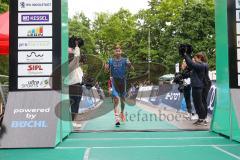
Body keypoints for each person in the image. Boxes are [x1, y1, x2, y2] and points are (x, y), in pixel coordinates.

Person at [105, 44, 133, 126]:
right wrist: (106, 66)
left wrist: (129, 64)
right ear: (114, 52)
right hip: (114, 81)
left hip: (123, 81)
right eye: (116, 50)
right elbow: (106, 71)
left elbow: (132, 68)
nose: (117, 51)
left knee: (123, 100)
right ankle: (117, 119)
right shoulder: (110, 60)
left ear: (121, 52)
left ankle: (122, 113)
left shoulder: (125, 60)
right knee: (116, 99)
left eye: (119, 50)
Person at [183, 52, 208, 126]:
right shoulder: (200, 65)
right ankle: (201, 119)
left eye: (195, 58)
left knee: (199, 103)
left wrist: (185, 55)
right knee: (197, 103)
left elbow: (191, 64)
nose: (194, 59)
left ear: (200, 58)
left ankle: (202, 119)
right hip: (196, 86)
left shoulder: (201, 65)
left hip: (198, 86)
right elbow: (190, 69)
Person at [68, 37, 84, 128]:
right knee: (74, 104)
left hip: (77, 84)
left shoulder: (75, 65)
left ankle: (72, 121)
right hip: (73, 86)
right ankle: (72, 121)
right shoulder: (71, 64)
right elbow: (76, 56)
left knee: (75, 104)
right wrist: (77, 46)